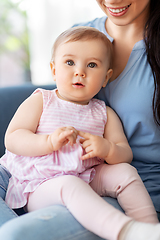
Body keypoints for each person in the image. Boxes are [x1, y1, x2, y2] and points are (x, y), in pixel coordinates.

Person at [0, 0, 160, 239]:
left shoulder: (103, 112)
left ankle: (149, 227)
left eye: (91, 65)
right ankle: (126, 230)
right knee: (69, 185)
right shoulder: (42, 100)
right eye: (69, 63)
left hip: (89, 174)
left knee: (125, 173)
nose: (79, 72)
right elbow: (13, 138)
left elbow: (124, 153)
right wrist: (49, 143)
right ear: (53, 70)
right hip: (41, 182)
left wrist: (107, 148)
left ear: (106, 78)